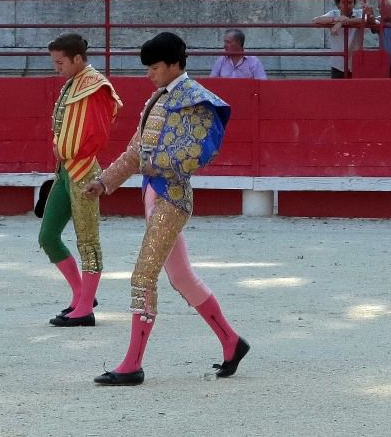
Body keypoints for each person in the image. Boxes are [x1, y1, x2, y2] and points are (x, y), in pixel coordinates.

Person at [86, 32, 248, 386]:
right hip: (153, 195)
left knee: (143, 276)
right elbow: (134, 152)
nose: (150, 74)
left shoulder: (195, 101)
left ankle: (132, 364)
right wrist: (105, 182)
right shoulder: (159, 98)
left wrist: (147, 163)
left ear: (175, 64)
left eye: (155, 67)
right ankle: (232, 342)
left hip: (171, 199)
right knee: (182, 277)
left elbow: (189, 157)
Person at [39, 33, 122, 327]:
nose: (56, 67)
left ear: (77, 59)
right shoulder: (75, 83)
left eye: (60, 62)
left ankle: (85, 308)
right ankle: (80, 295)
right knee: (48, 237)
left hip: (85, 169)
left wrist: (73, 152)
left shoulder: (95, 86)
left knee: (88, 240)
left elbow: (98, 131)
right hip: (65, 169)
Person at [312, 0, 367, 78]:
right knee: (337, 91)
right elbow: (315, 20)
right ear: (338, 5)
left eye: (350, 3)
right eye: (343, 2)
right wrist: (336, 19)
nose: (347, 6)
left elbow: (365, 20)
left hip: (356, 62)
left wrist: (342, 22)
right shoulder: (334, 13)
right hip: (338, 63)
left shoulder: (359, 13)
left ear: (354, 4)